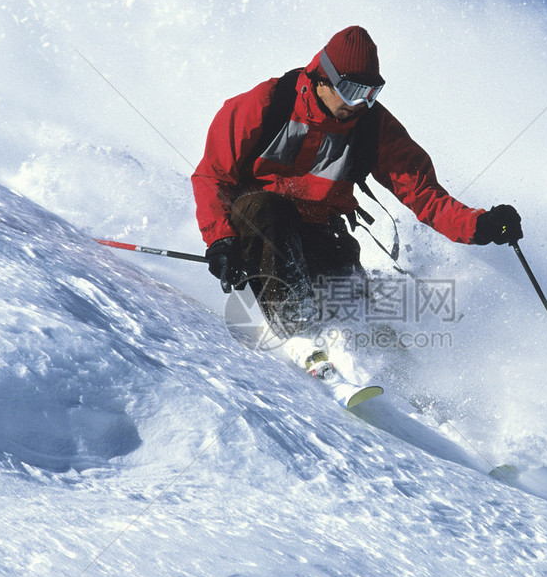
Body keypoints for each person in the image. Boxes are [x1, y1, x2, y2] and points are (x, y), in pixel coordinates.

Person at [192, 25, 521, 342]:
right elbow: (212, 176)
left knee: (358, 311)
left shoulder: (372, 127)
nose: (361, 103)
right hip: (258, 228)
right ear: (323, 78)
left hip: (320, 233)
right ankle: (301, 334)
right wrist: (220, 240)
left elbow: (425, 195)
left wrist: (480, 224)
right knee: (268, 210)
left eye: (371, 93)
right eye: (352, 92)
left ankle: (400, 381)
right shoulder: (266, 104)